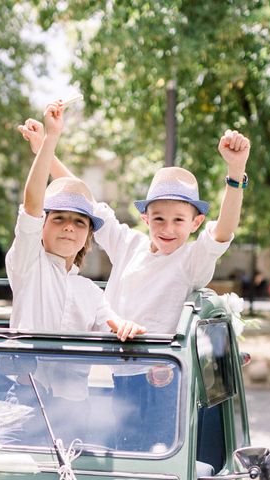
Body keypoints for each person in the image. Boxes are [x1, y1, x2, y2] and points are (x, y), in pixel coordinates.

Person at [18, 118, 250, 334]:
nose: (167, 229)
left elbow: (223, 230)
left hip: (158, 369)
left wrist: (236, 172)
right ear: (145, 218)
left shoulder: (192, 259)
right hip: (111, 364)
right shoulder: (129, 245)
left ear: (196, 222)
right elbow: (82, 200)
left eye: (178, 220)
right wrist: (44, 153)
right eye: (159, 219)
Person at [6, 100, 146, 340]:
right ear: (42, 225)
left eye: (80, 222)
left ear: (89, 234)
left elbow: (113, 324)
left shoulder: (91, 292)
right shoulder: (28, 264)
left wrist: (128, 327)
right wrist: (51, 138)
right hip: (24, 378)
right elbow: (32, 204)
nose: (69, 226)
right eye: (58, 218)